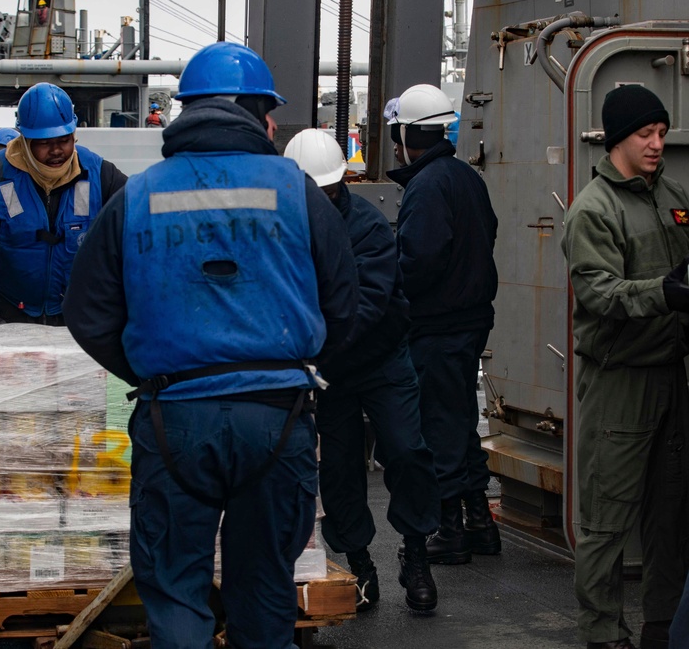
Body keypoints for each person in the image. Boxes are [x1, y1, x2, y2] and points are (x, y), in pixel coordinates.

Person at [63, 42, 359, 649]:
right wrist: (296, 363)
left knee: (175, 590)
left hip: (175, 416)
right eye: (270, 111)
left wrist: (153, 369)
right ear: (255, 112)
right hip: (276, 416)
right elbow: (346, 303)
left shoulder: (137, 196)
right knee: (265, 588)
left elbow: (86, 313)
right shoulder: (297, 190)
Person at [285, 128, 440, 613]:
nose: (323, 201)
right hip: (328, 371)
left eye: (329, 191)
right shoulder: (282, 228)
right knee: (338, 470)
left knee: (407, 451)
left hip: (379, 359)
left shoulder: (369, 228)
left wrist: (308, 345)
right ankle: (359, 565)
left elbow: (366, 305)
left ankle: (416, 552)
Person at [561, 84, 689, 649]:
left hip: (670, 376)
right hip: (620, 380)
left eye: (661, 133)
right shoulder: (594, 209)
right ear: (618, 139)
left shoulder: (673, 196)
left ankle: (664, 622)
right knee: (607, 516)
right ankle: (603, 631)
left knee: (672, 510)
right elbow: (601, 294)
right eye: (646, 134)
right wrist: (666, 292)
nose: (657, 143)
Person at [385, 83, 500, 565]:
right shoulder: (464, 177)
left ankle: (450, 529)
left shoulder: (428, 185)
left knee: (440, 427)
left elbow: (418, 260)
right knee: (458, 422)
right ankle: (479, 523)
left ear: (409, 133)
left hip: (438, 327)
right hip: (470, 321)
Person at [0, 82, 126, 329]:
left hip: (78, 317)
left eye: (64, 140)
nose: (57, 151)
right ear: (26, 140)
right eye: (44, 143)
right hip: (6, 317)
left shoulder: (101, 176)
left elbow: (136, 240)